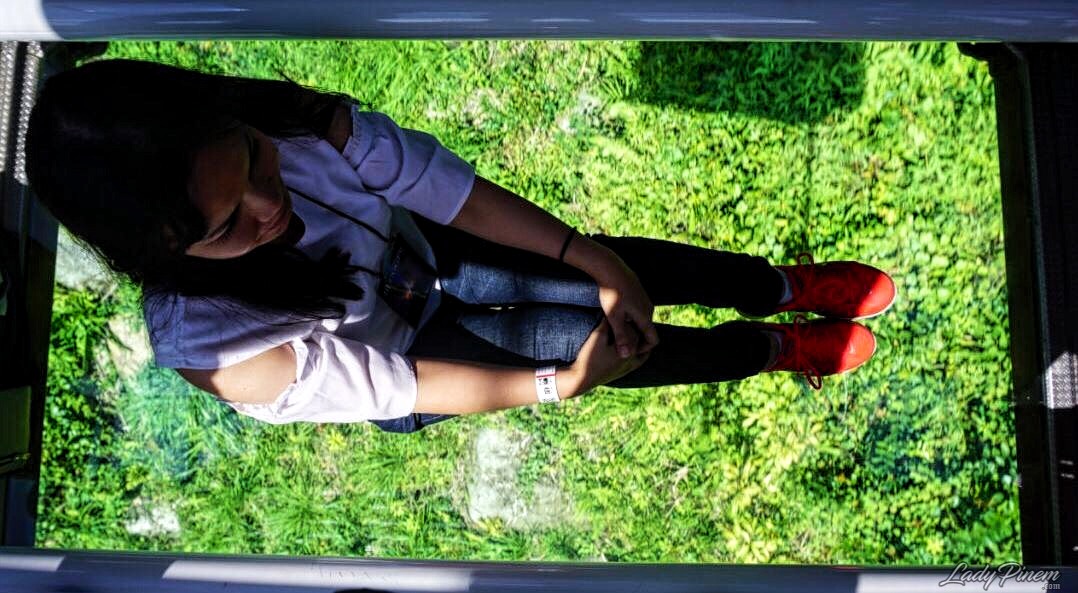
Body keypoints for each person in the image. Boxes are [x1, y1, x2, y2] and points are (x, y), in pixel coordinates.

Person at [26, 59, 896, 433]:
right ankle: (770, 349)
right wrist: (558, 384)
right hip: (412, 353)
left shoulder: (286, 116)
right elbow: (393, 385)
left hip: (422, 246)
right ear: (168, 253)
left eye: (253, 157)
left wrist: (588, 257)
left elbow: (442, 189)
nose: (269, 203)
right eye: (227, 224)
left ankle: (777, 286)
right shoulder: (210, 346)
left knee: (619, 268)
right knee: (606, 347)